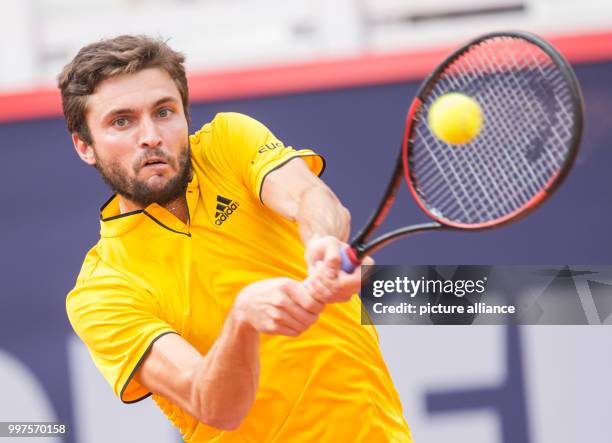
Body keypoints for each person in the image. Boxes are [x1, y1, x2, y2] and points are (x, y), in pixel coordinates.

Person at [60, 35, 412, 442]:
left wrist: (323, 245)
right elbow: (213, 405)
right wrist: (242, 321)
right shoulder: (102, 292)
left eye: (164, 112)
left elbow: (310, 196)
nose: (150, 135)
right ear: (85, 146)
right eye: (122, 121)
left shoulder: (228, 141)